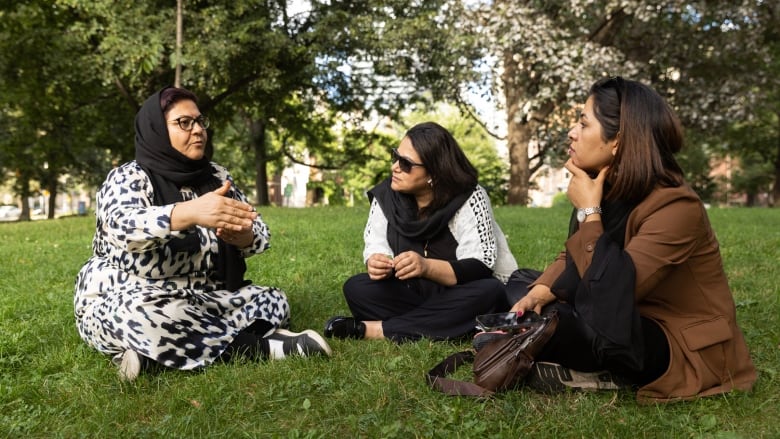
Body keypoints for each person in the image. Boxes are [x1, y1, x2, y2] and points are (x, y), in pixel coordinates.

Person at [492, 77, 757, 403]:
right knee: (521, 284)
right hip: (618, 306)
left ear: (618, 141)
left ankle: (590, 366)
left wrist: (589, 211)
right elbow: (573, 258)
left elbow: (610, 298)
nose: (572, 132)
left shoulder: (676, 206)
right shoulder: (608, 187)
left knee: (567, 325)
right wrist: (541, 291)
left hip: (668, 334)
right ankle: (550, 337)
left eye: (583, 123)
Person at [74, 86, 330, 381]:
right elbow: (122, 227)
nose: (197, 130)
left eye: (199, 121)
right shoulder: (128, 177)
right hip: (131, 299)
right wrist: (190, 212)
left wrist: (242, 236)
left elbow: (258, 233)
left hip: (203, 296)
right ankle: (266, 347)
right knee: (141, 316)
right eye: (184, 123)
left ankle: (154, 355)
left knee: (274, 301)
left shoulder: (216, 176)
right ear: (156, 129)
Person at [324, 121, 518, 342]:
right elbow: (376, 244)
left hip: (460, 292)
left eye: (406, 163)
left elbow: (479, 266)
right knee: (357, 288)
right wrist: (376, 262)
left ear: (433, 173)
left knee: (489, 291)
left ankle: (374, 330)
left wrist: (426, 267)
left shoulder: (469, 197)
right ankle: (448, 325)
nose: (395, 167)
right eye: (395, 156)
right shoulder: (387, 195)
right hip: (416, 294)